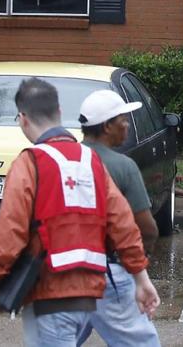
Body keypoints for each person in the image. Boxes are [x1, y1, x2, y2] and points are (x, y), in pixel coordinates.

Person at [0, 77, 160, 345]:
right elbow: (123, 225)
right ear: (60, 113)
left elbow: (10, 230)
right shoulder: (91, 161)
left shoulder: (29, 164)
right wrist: (141, 279)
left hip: (50, 293)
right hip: (92, 289)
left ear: (23, 119)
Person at [75, 89, 163, 347]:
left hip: (65, 273)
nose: (127, 126)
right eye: (123, 120)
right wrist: (137, 271)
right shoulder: (123, 166)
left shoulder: (65, 161)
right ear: (106, 126)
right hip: (108, 273)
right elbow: (147, 229)